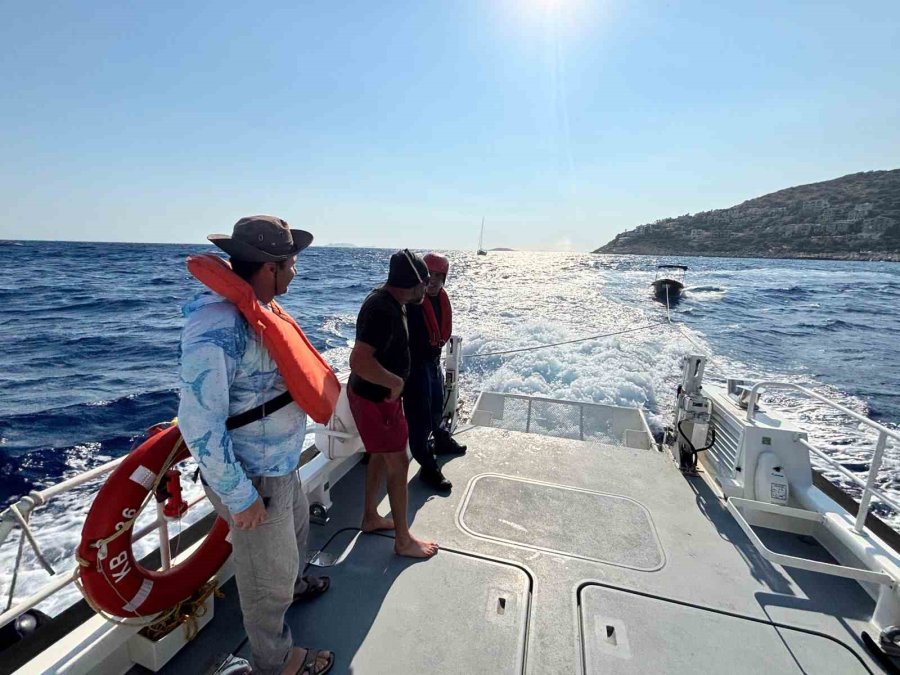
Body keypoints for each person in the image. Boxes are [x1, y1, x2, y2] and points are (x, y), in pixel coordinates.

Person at [178, 216, 336, 675]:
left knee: (296, 542)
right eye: (292, 264)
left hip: (282, 463)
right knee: (265, 579)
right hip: (254, 477)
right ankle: (278, 660)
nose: (295, 273)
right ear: (270, 268)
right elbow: (198, 423)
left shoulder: (261, 310)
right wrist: (240, 496)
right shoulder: (218, 327)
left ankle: (296, 583)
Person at [348, 249, 439, 558]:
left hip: (375, 397)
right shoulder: (382, 310)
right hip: (377, 400)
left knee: (379, 455)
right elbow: (359, 361)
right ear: (411, 282)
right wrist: (396, 383)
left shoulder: (390, 301)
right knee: (399, 463)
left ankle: (370, 516)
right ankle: (403, 541)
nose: (426, 289)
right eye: (424, 282)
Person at [404, 252, 466, 490]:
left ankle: (441, 441)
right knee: (419, 421)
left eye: (439, 276)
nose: (433, 280)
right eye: (429, 274)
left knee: (437, 407)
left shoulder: (441, 300)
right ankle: (428, 469)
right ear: (421, 276)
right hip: (415, 368)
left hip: (433, 362)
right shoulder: (412, 303)